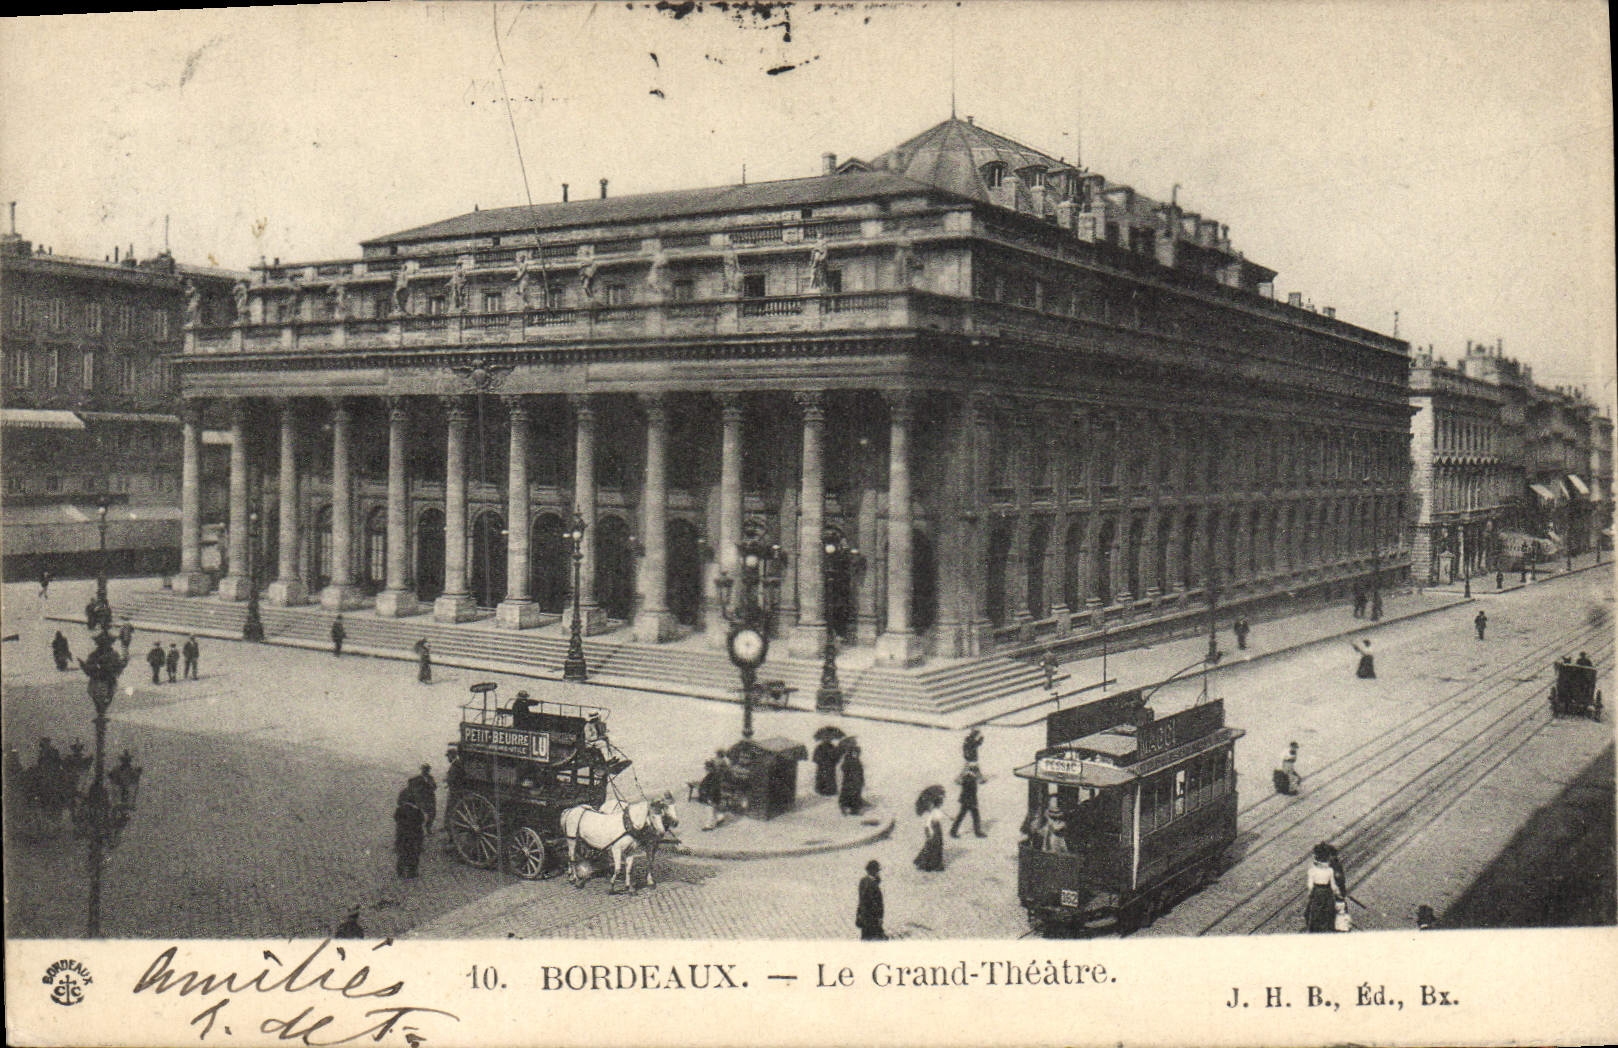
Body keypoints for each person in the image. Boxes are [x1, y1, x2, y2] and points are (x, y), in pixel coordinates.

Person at [1304, 842, 1345, 932]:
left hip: (1317, 894)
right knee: (1329, 915)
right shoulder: (1330, 870)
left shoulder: (1312, 870)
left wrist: (1310, 895)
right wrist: (1339, 895)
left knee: (1312, 915)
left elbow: (1310, 886)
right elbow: (1334, 886)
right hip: (1327, 894)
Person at [393, 788, 426, 878]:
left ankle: (400, 870)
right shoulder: (417, 811)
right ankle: (412, 871)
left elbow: (396, 818)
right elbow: (422, 820)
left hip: (402, 836)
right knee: (414, 854)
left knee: (402, 854)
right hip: (414, 837)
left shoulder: (400, 809)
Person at [950, 762, 987, 838]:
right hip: (971, 799)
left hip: (965, 799)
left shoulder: (965, 775)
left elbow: (957, 781)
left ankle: (953, 831)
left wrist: (963, 772)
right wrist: (981, 776)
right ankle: (977, 832)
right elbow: (982, 781)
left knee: (962, 815)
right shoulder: (972, 776)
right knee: (974, 816)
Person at [856, 860, 886, 940]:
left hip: (864, 917)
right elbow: (874, 903)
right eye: (877, 871)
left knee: (866, 938)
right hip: (872, 919)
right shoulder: (872, 884)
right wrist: (879, 918)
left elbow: (861, 900)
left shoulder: (863, 881)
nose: (878, 873)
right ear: (873, 871)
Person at [914, 795, 945, 872]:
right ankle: (933, 864)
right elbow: (933, 821)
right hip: (935, 830)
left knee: (930, 846)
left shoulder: (934, 811)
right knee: (935, 846)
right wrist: (930, 833)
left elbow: (929, 823)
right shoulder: (936, 812)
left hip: (933, 830)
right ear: (938, 804)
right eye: (940, 803)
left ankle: (925, 863)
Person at [408, 764, 438, 834]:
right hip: (421, 799)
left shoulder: (430, 778)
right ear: (421, 770)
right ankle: (418, 830)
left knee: (432, 814)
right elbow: (411, 785)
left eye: (427, 769)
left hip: (430, 799)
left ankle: (428, 828)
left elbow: (435, 787)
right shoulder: (417, 778)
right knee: (419, 815)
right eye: (424, 769)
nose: (425, 771)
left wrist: (431, 786)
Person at [838, 740, 865, 816]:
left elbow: (860, 770)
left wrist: (862, 780)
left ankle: (854, 809)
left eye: (856, 753)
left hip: (856, 781)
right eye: (854, 753)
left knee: (855, 793)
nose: (855, 754)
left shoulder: (857, 760)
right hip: (849, 780)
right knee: (848, 793)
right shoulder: (847, 758)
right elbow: (843, 768)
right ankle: (846, 807)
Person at [698, 758, 726, 831]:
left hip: (711, 796)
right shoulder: (713, 776)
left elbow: (713, 788)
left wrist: (710, 797)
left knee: (709, 810)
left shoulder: (712, 777)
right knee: (715, 808)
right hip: (715, 796)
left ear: (711, 768)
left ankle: (709, 825)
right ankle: (720, 818)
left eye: (707, 768)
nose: (706, 770)